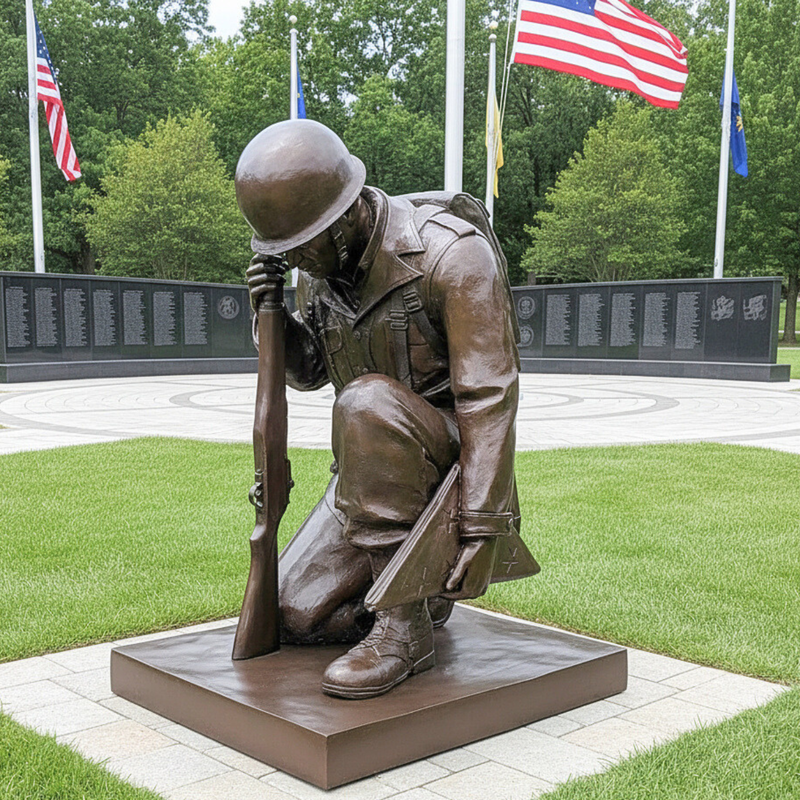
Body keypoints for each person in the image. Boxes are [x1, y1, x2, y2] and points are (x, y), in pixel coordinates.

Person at [237, 119, 537, 700]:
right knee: (294, 612)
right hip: (369, 475)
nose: (297, 259)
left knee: (366, 400)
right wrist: (271, 320)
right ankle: (418, 597)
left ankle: (403, 631)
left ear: (346, 214)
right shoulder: (319, 274)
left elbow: (489, 394)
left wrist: (482, 526)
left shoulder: (453, 255)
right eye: (284, 250)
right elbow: (311, 373)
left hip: (447, 470)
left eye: (303, 244)